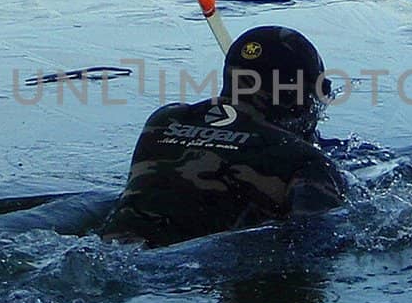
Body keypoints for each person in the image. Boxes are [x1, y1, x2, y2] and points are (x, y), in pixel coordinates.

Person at [98, 26, 347, 248]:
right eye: (320, 91)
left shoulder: (165, 121)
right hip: (182, 271)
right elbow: (315, 243)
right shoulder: (304, 161)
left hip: (110, 245)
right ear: (299, 94)